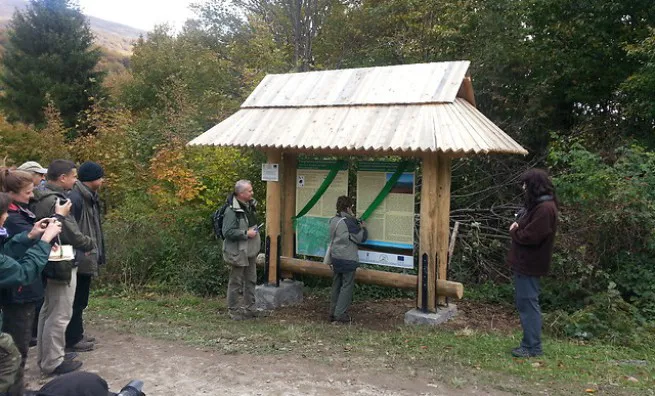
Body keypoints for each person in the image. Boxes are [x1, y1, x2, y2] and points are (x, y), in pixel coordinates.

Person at [0, 169, 73, 395]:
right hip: (18, 293)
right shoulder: (13, 217)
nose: (32, 197)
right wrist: (45, 239)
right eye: (28, 191)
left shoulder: (16, 216)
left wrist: (30, 235)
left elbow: (7, 250)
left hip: (21, 291)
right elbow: (20, 270)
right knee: (13, 352)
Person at [31, 160, 95, 375]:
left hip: (48, 259)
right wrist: (88, 243)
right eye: (73, 176)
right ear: (62, 178)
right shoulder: (57, 200)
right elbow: (69, 231)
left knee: (47, 311)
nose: (75, 180)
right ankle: (53, 362)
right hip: (61, 261)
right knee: (59, 313)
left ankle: (48, 355)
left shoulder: (41, 196)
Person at [507, 169, 558, 358]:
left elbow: (531, 236)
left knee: (528, 304)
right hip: (527, 262)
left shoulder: (545, 209)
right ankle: (530, 344)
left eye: (526, 185)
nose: (523, 188)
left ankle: (532, 347)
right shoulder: (539, 205)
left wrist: (514, 231)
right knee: (525, 303)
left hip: (530, 263)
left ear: (534, 185)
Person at [65, 162, 105, 352]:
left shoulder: (89, 197)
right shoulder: (77, 198)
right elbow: (71, 229)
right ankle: (72, 339)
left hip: (85, 255)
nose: (103, 180)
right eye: (101, 176)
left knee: (81, 298)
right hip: (79, 257)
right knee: (76, 298)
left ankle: (77, 333)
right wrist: (84, 249)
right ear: (92, 179)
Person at [222, 180, 262, 320]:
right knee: (236, 282)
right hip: (238, 252)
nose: (252, 193)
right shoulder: (231, 211)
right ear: (241, 193)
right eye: (249, 191)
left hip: (250, 251)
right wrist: (246, 234)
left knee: (251, 279)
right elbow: (227, 231)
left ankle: (250, 308)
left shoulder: (250, 206)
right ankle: (233, 310)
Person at [328, 196, 367, 324]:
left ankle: (332, 312)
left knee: (336, 285)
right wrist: (363, 227)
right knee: (346, 286)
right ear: (348, 207)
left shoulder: (334, 220)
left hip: (336, 257)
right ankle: (340, 314)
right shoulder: (349, 222)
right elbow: (360, 238)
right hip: (348, 258)